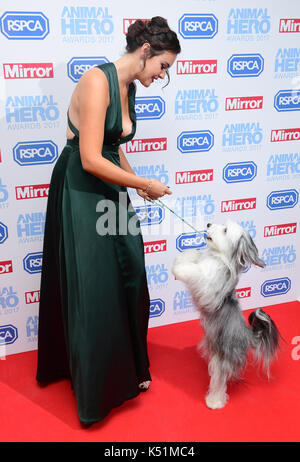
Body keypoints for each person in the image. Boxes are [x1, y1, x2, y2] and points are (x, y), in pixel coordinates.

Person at [36, 16, 181, 426]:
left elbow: (112, 147)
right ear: (145, 52)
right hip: (82, 186)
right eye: (163, 66)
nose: (163, 76)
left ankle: (131, 369)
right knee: (95, 284)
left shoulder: (130, 86)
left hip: (111, 183)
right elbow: (90, 157)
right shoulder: (97, 81)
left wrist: (135, 187)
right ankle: (96, 388)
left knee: (131, 271)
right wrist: (141, 182)